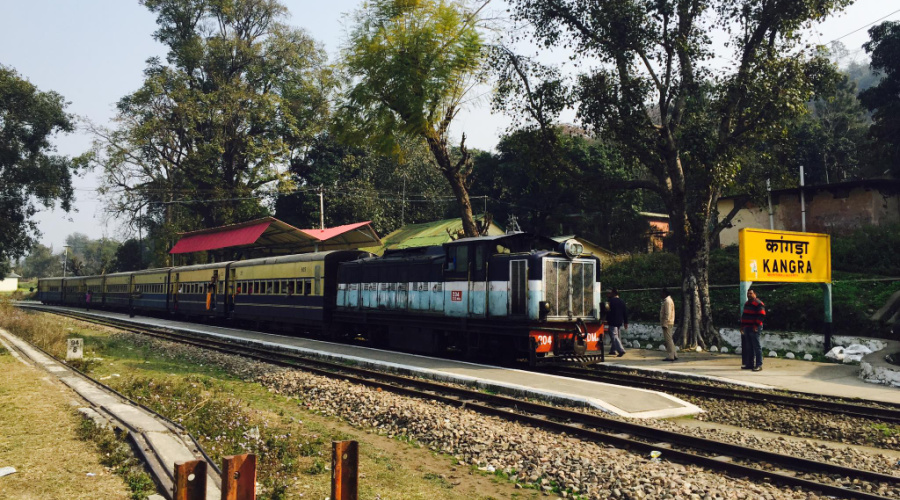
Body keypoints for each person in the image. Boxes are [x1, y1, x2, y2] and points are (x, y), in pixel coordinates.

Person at [740, 288, 766, 371]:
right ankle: (750, 364)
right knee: (749, 346)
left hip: (755, 327)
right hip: (747, 327)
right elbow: (744, 315)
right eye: (748, 294)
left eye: (751, 293)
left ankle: (759, 364)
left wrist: (756, 325)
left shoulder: (758, 303)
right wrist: (742, 326)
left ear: (755, 294)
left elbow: (761, 315)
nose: (749, 295)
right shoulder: (747, 304)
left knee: (756, 346)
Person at [606, 288, 628, 357]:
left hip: (612, 321)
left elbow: (607, 312)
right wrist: (626, 322)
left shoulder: (610, 301)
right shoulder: (622, 301)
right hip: (619, 321)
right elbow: (625, 313)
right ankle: (613, 350)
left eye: (611, 293)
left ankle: (621, 350)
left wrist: (605, 319)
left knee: (614, 336)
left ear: (613, 293)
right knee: (616, 335)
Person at [660, 288, 676, 361]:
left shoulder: (667, 301)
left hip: (668, 322)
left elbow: (667, 313)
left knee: (668, 340)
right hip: (670, 322)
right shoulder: (668, 300)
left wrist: (665, 323)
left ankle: (670, 355)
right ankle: (674, 354)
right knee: (670, 339)